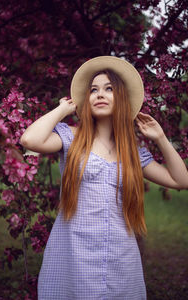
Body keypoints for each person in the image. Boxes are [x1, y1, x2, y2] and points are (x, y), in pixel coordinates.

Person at [20, 56, 188, 300]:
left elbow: (181, 181)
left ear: (121, 98)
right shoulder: (71, 138)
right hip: (73, 253)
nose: (100, 94)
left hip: (120, 257)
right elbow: (29, 140)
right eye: (93, 90)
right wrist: (62, 109)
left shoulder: (132, 152)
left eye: (109, 89)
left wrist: (160, 138)